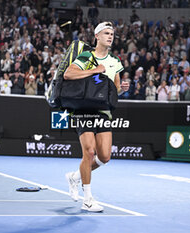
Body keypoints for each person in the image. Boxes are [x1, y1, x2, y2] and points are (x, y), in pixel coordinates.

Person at [63, 22, 128, 212]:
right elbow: (68, 74)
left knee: (104, 157)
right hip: (83, 109)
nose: (110, 37)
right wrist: (94, 70)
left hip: (103, 111)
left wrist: (122, 90)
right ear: (97, 36)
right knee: (89, 153)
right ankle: (88, 199)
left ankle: (75, 177)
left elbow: (113, 90)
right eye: (106, 33)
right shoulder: (86, 56)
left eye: (112, 34)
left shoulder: (115, 61)